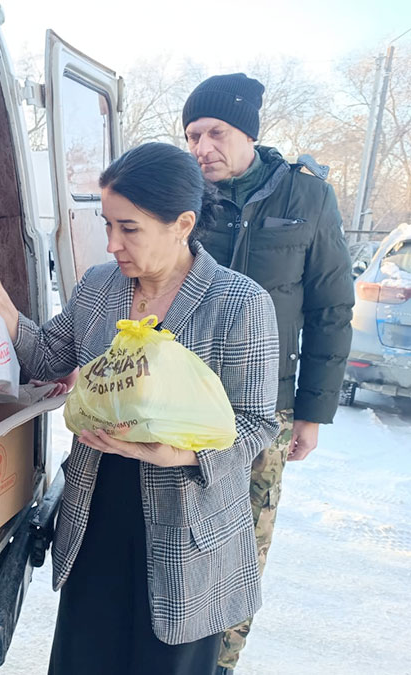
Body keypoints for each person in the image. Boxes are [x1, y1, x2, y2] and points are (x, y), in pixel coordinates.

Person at [0, 142, 280, 674]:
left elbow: (256, 425)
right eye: (107, 224)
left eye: (128, 228)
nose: (112, 243)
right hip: (98, 513)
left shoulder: (238, 304)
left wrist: (178, 455)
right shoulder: (99, 288)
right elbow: (49, 356)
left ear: (182, 224)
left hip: (188, 530)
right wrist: (3, 308)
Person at [182, 73, 355, 674]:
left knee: (243, 547)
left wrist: (311, 412)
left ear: (247, 133)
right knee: (177, 537)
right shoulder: (186, 194)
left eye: (215, 133)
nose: (202, 147)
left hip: (266, 409)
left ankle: (220, 664)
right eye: (193, 135)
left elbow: (331, 307)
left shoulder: (306, 198)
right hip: (180, 403)